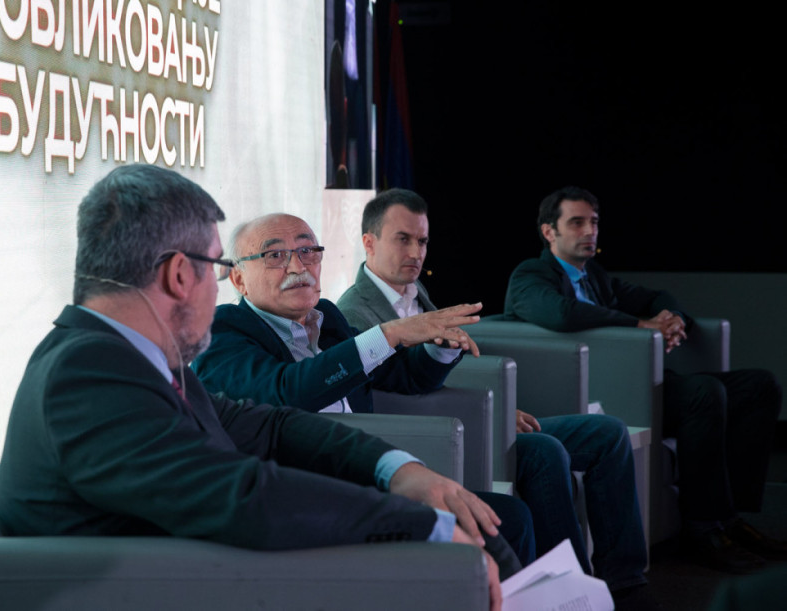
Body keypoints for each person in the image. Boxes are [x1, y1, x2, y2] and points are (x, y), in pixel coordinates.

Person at [0, 164, 513, 606]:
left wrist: (398, 470)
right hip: (211, 586)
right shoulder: (89, 375)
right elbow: (242, 497)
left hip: (223, 572)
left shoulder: (127, 358)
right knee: (478, 536)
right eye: (219, 267)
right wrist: (424, 524)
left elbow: (272, 427)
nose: (220, 286)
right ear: (180, 275)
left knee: (483, 526)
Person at [335, 188, 648, 597]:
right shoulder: (353, 312)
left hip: (478, 417)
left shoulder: (415, 293)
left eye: (423, 241)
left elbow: (446, 371)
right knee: (543, 451)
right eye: (403, 239)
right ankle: (570, 590)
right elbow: (396, 391)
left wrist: (498, 408)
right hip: (438, 435)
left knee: (607, 433)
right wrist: (488, 415)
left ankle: (624, 581)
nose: (416, 252)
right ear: (369, 242)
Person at [191, 211, 536, 574]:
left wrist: (441, 346)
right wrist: (390, 333)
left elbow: (402, 376)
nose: (298, 266)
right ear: (239, 278)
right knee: (502, 521)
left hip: (369, 472)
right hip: (302, 496)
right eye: (275, 255)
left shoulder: (326, 317)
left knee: (506, 516)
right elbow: (286, 391)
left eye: (308, 251)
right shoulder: (222, 330)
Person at [505, 185, 784, 574]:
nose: (590, 231)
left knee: (758, 386)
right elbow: (560, 313)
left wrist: (672, 319)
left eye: (594, 222)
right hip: (599, 392)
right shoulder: (530, 274)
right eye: (577, 222)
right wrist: (640, 325)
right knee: (704, 392)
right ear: (549, 231)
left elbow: (658, 296)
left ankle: (729, 517)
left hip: (638, 380)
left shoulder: (595, 276)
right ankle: (703, 527)